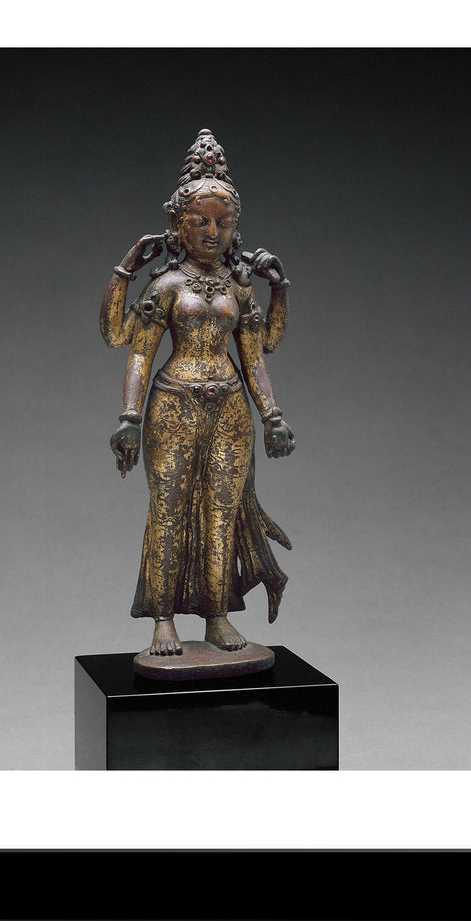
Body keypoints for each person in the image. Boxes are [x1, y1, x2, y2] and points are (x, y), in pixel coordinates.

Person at [100, 129, 294, 657]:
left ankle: (217, 615)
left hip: (230, 410)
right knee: (168, 510)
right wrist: (129, 418)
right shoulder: (166, 286)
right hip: (172, 406)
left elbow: (259, 353)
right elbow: (131, 348)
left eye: (223, 223)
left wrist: (272, 416)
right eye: (200, 221)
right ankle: (163, 618)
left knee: (222, 515)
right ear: (177, 226)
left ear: (236, 228)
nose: (212, 232)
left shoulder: (239, 288)